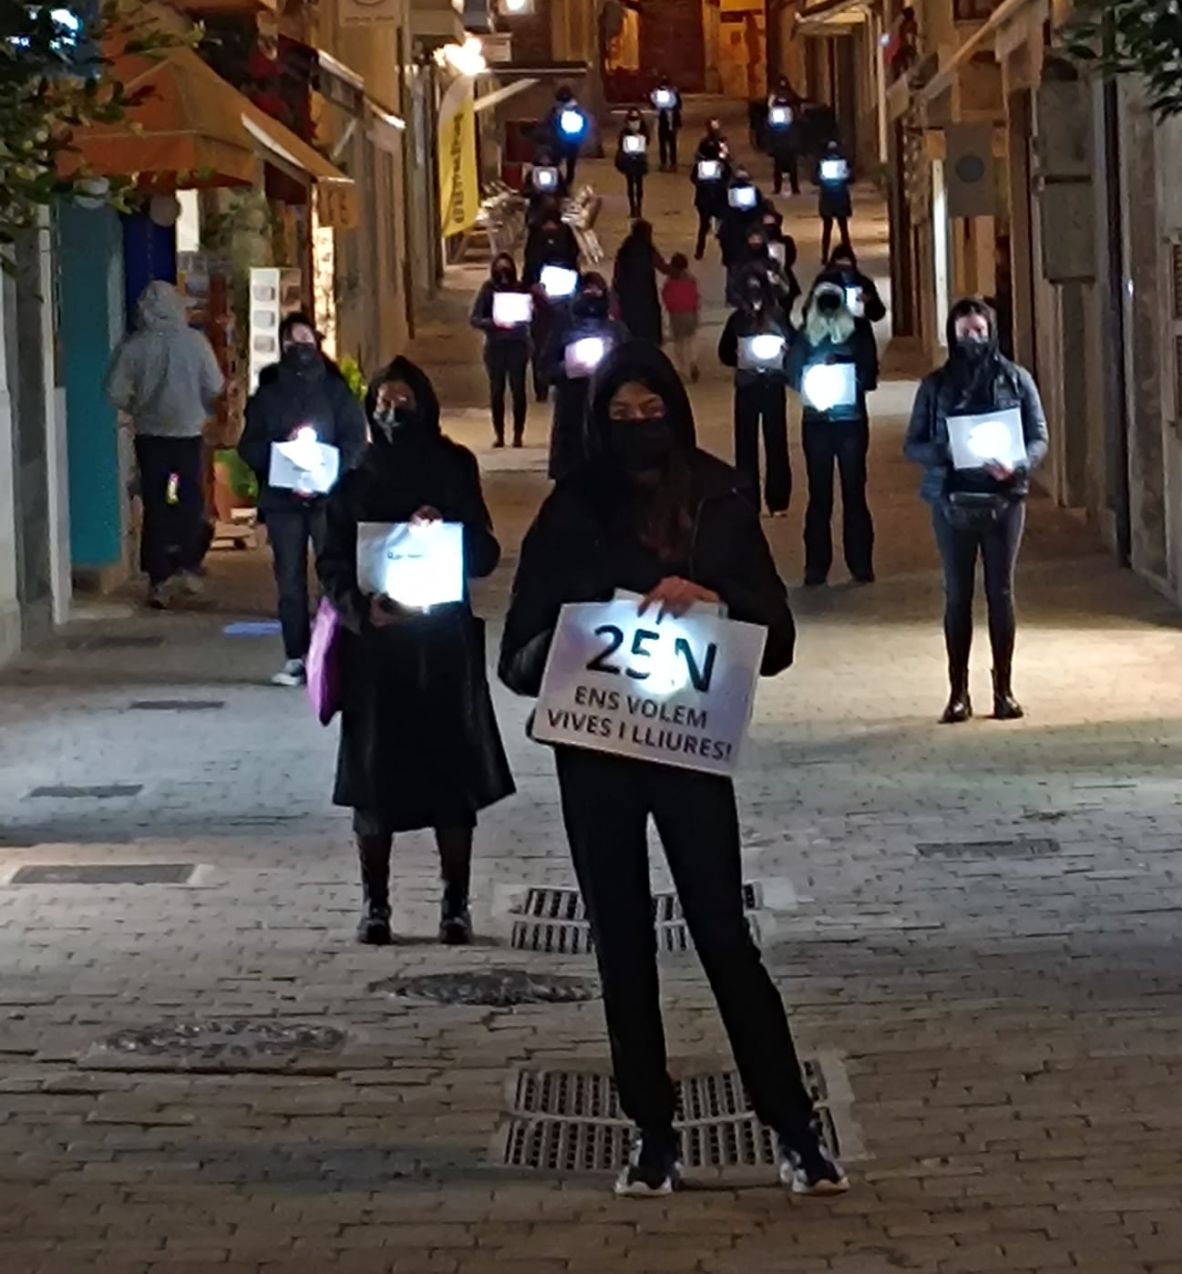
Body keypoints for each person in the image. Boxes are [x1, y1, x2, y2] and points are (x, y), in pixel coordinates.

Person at [498, 345, 847, 1198]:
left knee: (722, 934)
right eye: (619, 415)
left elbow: (777, 635)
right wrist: (578, 635)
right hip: (598, 755)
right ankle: (651, 1132)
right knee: (621, 943)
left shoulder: (718, 498)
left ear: (675, 414)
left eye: (650, 411)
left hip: (688, 751)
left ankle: (793, 1128)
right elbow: (516, 655)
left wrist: (713, 600)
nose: (636, 428)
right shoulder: (571, 508)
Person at [317, 358, 513, 945]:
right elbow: (331, 563)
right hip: (378, 656)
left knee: (451, 781)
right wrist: (361, 610)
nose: (393, 411)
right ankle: (375, 904)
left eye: (403, 401)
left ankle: (456, 904)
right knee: (376, 782)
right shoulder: (355, 478)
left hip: (443, 649)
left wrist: (447, 528)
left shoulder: (454, 466)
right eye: (383, 402)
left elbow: (485, 553)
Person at [903, 297, 1049, 723]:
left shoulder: (1016, 380)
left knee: (1001, 593)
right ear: (953, 334)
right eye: (965, 331)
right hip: (951, 501)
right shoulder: (935, 386)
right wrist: (945, 451)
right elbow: (912, 444)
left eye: (980, 331)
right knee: (957, 595)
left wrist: (1017, 464)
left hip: (1004, 501)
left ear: (992, 331)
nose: (973, 338)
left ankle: (1003, 690)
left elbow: (1039, 435)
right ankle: (958, 693)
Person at [237, 312, 368, 685]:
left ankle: (336, 655)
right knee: (290, 583)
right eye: (291, 341)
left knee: (335, 577)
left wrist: (329, 472)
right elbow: (250, 445)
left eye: (305, 339)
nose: (299, 347)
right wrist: (282, 462)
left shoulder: (335, 391)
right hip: (283, 503)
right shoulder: (268, 394)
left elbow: (354, 441)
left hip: (329, 501)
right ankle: (296, 655)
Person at [105, 279, 223, 608]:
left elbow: (114, 392)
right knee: (190, 499)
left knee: (156, 503)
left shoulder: (134, 346)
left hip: (150, 435)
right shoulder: (195, 343)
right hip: (187, 434)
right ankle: (187, 564)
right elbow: (214, 385)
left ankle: (158, 577)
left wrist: (138, 406)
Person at [787, 280, 878, 587]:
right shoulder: (806, 335)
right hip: (817, 423)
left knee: (854, 492)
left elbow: (870, 373)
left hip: (850, 422)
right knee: (820, 495)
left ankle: (860, 563)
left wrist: (847, 373)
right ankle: (816, 565)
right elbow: (792, 373)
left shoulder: (858, 331)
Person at [719, 273, 794, 518]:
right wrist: (741, 358)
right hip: (749, 386)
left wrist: (783, 353)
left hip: (769, 386)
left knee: (774, 443)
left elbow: (793, 343)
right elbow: (724, 353)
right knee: (748, 445)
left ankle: (776, 499)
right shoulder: (739, 320)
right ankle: (750, 499)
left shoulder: (776, 317)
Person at [544, 273, 627, 482]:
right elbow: (545, 367)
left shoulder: (616, 330)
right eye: (587, 289)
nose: (592, 294)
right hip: (572, 406)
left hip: (605, 406)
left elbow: (629, 365)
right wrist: (568, 367)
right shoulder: (564, 328)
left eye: (597, 290)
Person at [470, 254, 532, 449]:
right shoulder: (488, 290)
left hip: (517, 345)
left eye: (507, 268)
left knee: (518, 390)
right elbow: (475, 318)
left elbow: (534, 315)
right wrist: (494, 323)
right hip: (495, 346)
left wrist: (528, 311)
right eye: (500, 269)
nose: (503, 273)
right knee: (497, 391)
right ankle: (500, 435)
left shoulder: (521, 289)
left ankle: (518, 435)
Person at [523, 206, 582, 402]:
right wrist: (532, 288)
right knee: (540, 341)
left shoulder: (565, 234)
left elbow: (573, 256)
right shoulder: (536, 235)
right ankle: (541, 386)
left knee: (565, 337)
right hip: (541, 298)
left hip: (565, 295)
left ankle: (564, 379)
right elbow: (530, 262)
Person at [613, 218, 665, 345]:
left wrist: (617, 289)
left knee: (632, 326)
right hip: (645, 294)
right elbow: (662, 266)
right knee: (648, 326)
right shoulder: (647, 249)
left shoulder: (625, 249)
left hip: (628, 295)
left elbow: (617, 272)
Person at [812, 243, 887, 332]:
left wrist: (869, 301)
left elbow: (878, 315)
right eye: (839, 267)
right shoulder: (823, 282)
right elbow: (807, 311)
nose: (843, 272)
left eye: (847, 268)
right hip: (829, 327)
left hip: (857, 328)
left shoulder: (863, 283)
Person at [690, 120, 731, 260]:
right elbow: (693, 178)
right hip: (706, 198)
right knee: (704, 225)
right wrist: (702, 183)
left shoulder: (722, 158)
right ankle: (700, 250)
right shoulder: (701, 164)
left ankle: (725, 251)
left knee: (723, 226)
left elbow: (728, 175)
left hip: (717, 197)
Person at [661, 252, 701, 383]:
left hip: (676, 314)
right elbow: (696, 296)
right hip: (690, 313)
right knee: (691, 339)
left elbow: (665, 296)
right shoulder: (691, 280)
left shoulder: (670, 282)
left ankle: (683, 369)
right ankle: (692, 362)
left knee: (679, 342)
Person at [719, 167, 763, 267]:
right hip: (734, 228)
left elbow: (761, 209)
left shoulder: (754, 191)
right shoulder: (728, 192)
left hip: (746, 227)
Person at [816, 141, 853, 262]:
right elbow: (851, 178)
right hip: (840, 197)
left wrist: (821, 178)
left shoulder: (822, 162)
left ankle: (825, 256)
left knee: (828, 229)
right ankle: (847, 254)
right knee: (843, 229)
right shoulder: (843, 162)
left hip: (828, 198)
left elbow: (815, 179)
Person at [548, 86, 590, 191]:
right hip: (560, 140)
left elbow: (584, 123)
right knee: (557, 162)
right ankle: (560, 182)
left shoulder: (575, 110)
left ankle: (567, 183)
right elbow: (548, 123)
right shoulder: (556, 111)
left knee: (569, 164)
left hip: (571, 139)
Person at [767, 76, 802, 197]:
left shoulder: (791, 96)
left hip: (790, 132)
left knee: (792, 162)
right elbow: (769, 106)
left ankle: (795, 187)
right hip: (777, 132)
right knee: (777, 162)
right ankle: (777, 186)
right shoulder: (774, 95)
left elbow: (797, 107)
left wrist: (796, 113)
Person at [614, 107, 651, 219]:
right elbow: (621, 145)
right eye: (631, 119)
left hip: (639, 161)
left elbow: (647, 142)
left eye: (636, 118)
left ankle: (638, 208)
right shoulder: (624, 133)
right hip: (629, 162)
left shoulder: (643, 132)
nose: (634, 122)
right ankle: (632, 208)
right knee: (630, 185)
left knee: (639, 185)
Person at [650, 75, 683, 171]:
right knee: (667, 143)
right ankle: (667, 163)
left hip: (669, 120)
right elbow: (679, 105)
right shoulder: (670, 92)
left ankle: (670, 163)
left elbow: (678, 105)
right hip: (664, 119)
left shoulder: (671, 92)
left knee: (668, 143)